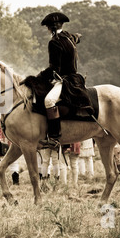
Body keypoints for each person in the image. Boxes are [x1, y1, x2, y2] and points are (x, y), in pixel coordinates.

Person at [37, 12, 93, 148]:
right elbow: (79, 36)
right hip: (76, 78)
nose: (47, 30)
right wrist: (77, 37)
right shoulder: (69, 37)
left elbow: (54, 68)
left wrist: (39, 77)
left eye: (48, 27)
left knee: (49, 101)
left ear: (51, 28)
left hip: (65, 81)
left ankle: (55, 137)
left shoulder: (54, 42)